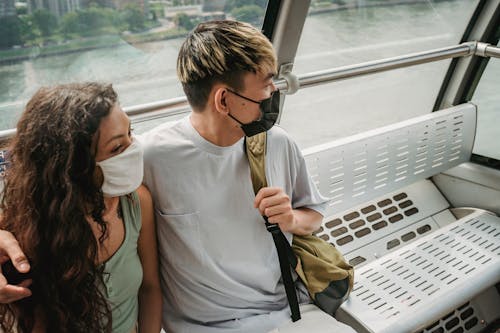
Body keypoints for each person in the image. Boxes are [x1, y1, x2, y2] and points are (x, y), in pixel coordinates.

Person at [0, 21, 356, 333]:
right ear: (223, 99)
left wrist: (292, 218)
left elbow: (313, 217)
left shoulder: (278, 145)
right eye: (265, 84)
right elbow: (54, 182)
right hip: (201, 327)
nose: (273, 92)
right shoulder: (149, 157)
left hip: (287, 312)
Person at [0, 83, 162, 333]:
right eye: (117, 148)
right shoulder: (28, 228)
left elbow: (150, 287)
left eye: (131, 133)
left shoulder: (136, 202)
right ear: (75, 165)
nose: (134, 149)